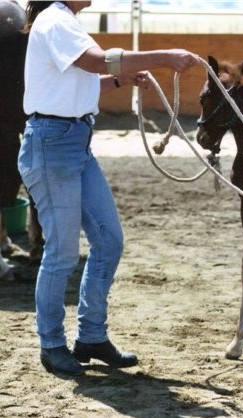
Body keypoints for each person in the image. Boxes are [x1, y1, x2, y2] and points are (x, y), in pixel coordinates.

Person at [18, 0, 199, 377]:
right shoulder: (55, 20)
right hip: (54, 144)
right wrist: (166, 56)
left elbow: (81, 77)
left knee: (109, 241)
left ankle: (91, 337)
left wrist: (120, 79)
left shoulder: (64, 21)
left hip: (73, 141)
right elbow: (96, 61)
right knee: (62, 253)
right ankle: (52, 344)